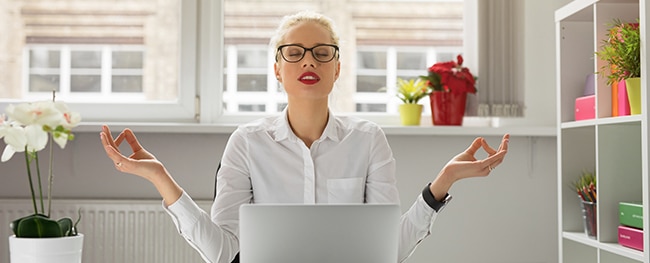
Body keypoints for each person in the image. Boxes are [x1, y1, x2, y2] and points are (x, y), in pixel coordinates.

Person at [99, 10, 509, 263]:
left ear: (337, 67)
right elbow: (224, 254)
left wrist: (443, 184)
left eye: (321, 51)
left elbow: (388, 253)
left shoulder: (368, 140)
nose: (308, 60)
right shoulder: (246, 143)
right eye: (293, 52)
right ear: (277, 69)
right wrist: (160, 179)